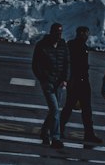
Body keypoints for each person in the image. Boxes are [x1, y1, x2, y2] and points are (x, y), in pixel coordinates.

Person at [32, 22, 70, 151]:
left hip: (59, 83)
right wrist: (43, 78)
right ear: (51, 32)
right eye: (56, 33)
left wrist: (65, 79)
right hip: (48, 82)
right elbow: (35, 65)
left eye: (60, 33)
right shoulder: (42, 46)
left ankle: (44, 131)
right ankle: (56, 138)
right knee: (54, 110)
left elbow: (66, 63)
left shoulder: (63, 46)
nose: (58, 35)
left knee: (54, 110)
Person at [60, 25, 100, 146]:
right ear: (80, 33)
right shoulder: (74, 46)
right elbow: (70, 64)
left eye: (86, 33)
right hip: (76, 80)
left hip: (82, 80)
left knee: (84, 109)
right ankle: (59, 129)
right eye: (84, 33)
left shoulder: (80, 46)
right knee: (71, 107)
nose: (86, 36)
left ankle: (88, 133)